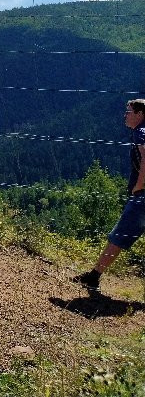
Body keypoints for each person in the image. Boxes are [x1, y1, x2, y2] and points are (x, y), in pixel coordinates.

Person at [73, 99, 145, 291]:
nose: (125, 115)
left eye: (129, 111)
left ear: (140, 114)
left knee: (120, 235)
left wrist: (138, 186)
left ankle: (94, 276)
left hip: (142, 196)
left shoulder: (141, 133)